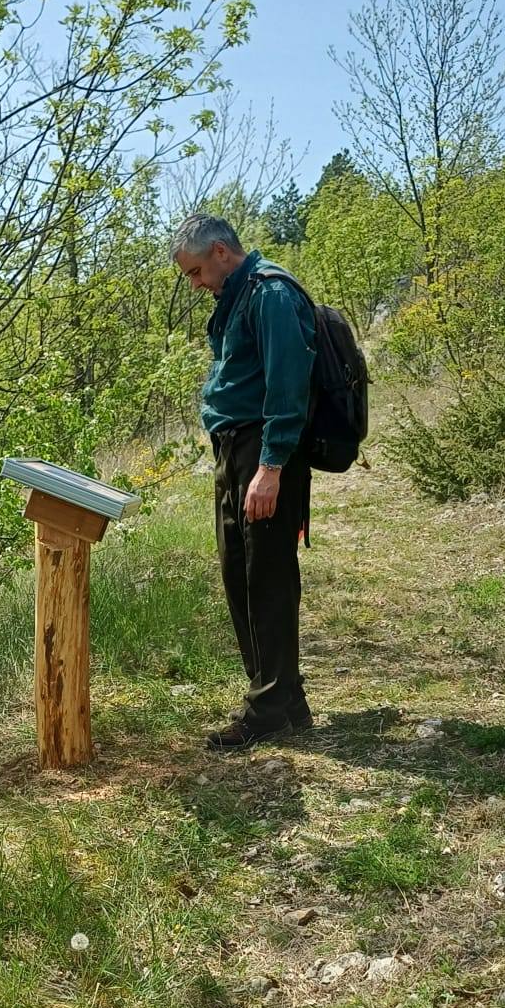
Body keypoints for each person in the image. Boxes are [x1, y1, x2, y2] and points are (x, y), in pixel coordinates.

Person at [170, 211, 315, 750]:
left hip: (263, 451)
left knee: (267, 576)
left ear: (221, 255)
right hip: (236, 450)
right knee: (242, 573)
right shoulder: (237, 299)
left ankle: (268, 710)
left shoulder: (270, 293)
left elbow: (287, 385)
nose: (196, 284)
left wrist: (271, 468)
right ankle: (284, 699)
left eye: (196, 272)